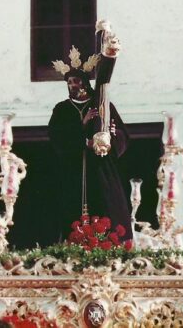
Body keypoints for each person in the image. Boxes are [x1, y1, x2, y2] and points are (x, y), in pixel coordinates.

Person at [48, 51, 132, 242]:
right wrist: (83, 131)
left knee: (106, 207)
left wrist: (111, 137)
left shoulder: (103, 105)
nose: (72, 85)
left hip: (100, 170)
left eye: (76, 81)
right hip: (73, 170)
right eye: (69, 82)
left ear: (85, 82)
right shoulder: (62, 109)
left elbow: (123, 136)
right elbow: (57, 137)